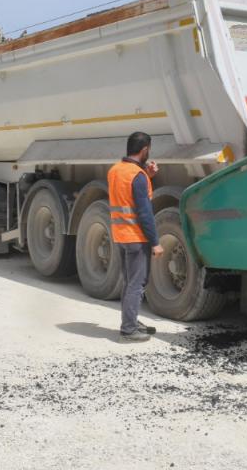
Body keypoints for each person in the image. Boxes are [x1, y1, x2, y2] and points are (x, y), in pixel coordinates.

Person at [107, 131, 163, 342]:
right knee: (137, 284)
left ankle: (131, 320)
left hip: (120, 235)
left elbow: (126, 194)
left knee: (129, 281)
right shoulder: (137, 176)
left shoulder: (115, 170)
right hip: (136, 237)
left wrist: (146, 175)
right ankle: (129, 328)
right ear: (145, 150)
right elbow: (144, 213)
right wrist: (156, 243)